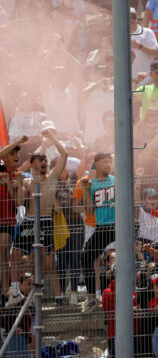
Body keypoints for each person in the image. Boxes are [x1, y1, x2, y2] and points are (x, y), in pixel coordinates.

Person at [14, 129, 68, 306]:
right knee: (19, 256)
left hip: (45, 221)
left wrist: (51, 137)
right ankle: (20, 292)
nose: (44, 162)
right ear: (32, 164)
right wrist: (21, 183)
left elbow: (64, 154)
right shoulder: (29, 182)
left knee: (48, 264)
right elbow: (19, 202)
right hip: (29, 221)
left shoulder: (52, 178)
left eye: (45, 160)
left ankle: (59, 296)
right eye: (40, 160)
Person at [80, 152, 115, 312]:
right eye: (105, 162)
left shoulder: (116, 180)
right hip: (102, 227)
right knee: (86, 256)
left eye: (110, 162)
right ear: (96, 164)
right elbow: (89, 211)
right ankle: (92, 297)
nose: (108, 165)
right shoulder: (91, 184)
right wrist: (87, 191)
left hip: (118, 225)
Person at [0, 136, 28, 303]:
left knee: (4, 253)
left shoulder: (17, 176)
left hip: (7, 221)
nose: (16, 155)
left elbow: (18, 202)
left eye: (18, 153)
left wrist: (12, 183)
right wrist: (17, 141)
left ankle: (5, 292)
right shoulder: (1, 170)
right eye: (12, 153)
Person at [131, 7, 158, 78]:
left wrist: (140, 47)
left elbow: (157, 53)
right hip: (129, 82)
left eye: (133, 17)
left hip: (146, 80)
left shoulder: (147, 32)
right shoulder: (121, 35)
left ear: (137, 18)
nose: (131, 20)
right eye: (128, 17)